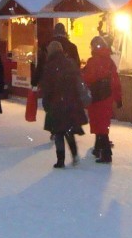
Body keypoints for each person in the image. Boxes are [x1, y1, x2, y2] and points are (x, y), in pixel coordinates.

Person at [39, 41, 88, 168]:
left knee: (58, 132)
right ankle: (75, 154)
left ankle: (60, 159)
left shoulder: (50, 66)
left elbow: (47, 87)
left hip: (56, 103)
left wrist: (46, 102)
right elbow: (78, 81)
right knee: (69, 130)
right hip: (70, 101)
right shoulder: (70, 63)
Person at [81, 36, 122, 164]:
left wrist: (82, 72)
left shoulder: (93, 61)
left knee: (98, 124)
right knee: (103, 123)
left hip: (96, 97)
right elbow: (116, 82)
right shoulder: (110, 62)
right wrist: (118, 98)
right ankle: (99, 148)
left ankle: (106, 153)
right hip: (107, 97)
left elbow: (88, 78)